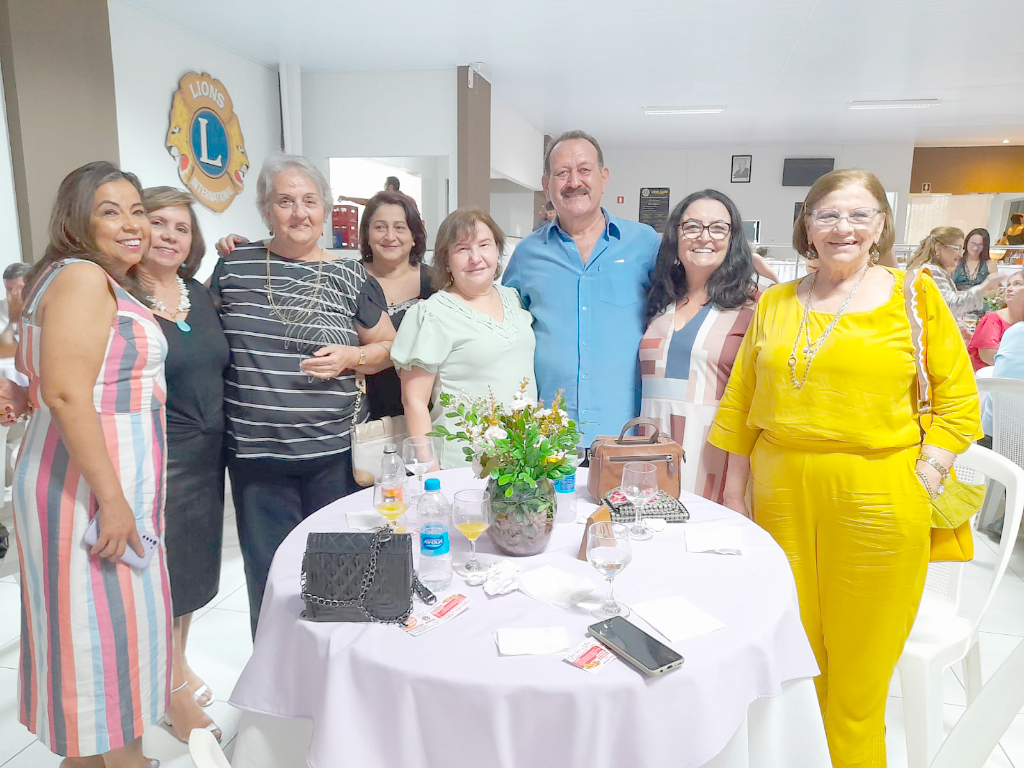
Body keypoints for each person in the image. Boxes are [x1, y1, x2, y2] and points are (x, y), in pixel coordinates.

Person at [708, 168, 980, 767]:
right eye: (828, 215)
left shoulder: (915, 295)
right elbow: (741, 405)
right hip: (779, 501)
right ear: (806, 224)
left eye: (859, 215)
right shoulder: (777, 302)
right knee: (791, 670)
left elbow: (957, 400)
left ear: (882, 225)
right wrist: (733, 497)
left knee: (856, 684)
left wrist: (929, 470)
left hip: (879, 499)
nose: (843, 228)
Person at [13, 161, 170, 768]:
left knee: (92, 634)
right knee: (104, 637)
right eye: (111, 211)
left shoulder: (61, 276)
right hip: (88, 484)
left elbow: (52, 376)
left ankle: (89, 761)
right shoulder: (81, 278)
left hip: (83, 473)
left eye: (137, 210)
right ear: (78, 220)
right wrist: (114, 499)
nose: (133, 225)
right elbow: (68, 394)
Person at [210, 153, 395, 636]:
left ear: (326, 209)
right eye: (285, 201)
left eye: (310, 201)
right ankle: (275, 678)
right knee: (270, 577)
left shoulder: (351, 276)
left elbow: (389, 347)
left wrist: (349, 358)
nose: (299, 213)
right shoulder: (234, 267)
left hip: (333, 455)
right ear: (266, 209)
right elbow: (200, 337)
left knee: (339, 572)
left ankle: (333, 672)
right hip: (256, 456)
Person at [138, 187, 229, 742]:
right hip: (158, 456)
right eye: (158, 223)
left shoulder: (197, 291)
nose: (171, 235)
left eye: (182, 227)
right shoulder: (120, 293)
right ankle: (168, 691)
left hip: (206, 453)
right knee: (163, 573)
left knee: (193, 568)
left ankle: (177, 661)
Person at [504, 130, 660, 445]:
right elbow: (504, 325)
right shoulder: (527, 254)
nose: (574, 182)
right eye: (563, 173)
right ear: (547, 185)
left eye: (584, 170)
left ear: (603, 178)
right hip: (548, 438)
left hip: (626, 435)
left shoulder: (645, 244)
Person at [391, 208, 535, 468]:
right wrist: (431, 474)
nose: (475, 258)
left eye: (484, 245)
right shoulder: (431, 315)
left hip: (521, 460)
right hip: (462, 465)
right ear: (447, 260)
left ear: (498, 249)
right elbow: (414, 402)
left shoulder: (513, 298)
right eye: (462, 249)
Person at [639, 190, 757, 504]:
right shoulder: (657, 301)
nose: (704, 236)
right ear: (676, 237)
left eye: (718, 227)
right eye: (692, 226)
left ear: (732, 240)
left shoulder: (751, 309)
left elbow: (750, 407)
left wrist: (735, 492)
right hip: (648, 457)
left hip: (714, 463)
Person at [358, 191, 434, 418]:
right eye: (380, 227)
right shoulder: (348, 278)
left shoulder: (437, 284)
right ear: (367, 235)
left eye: (400, 228)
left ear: (414, 236)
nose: (390, 236)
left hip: (423, 410)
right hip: (360, 413)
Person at [907, 226, 1005, 322]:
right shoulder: (933, 272)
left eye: (961, 249)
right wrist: (985, 286)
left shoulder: (934, 269)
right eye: (957, 248)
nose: (960, 254)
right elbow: (951, 305)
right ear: (938, 249)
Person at [968, 270, 1024, 370]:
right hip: (989, 379)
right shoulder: (992, 319)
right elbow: (988, 356)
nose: (1009, 289)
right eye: (1008, 285)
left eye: (1017, 284)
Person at [337, 175, 401, 206]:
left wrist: (347, 198)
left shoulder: (385, 198)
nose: (384, 187)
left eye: (385, 185)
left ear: (390, 187)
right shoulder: (406, 199)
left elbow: (367, 202)